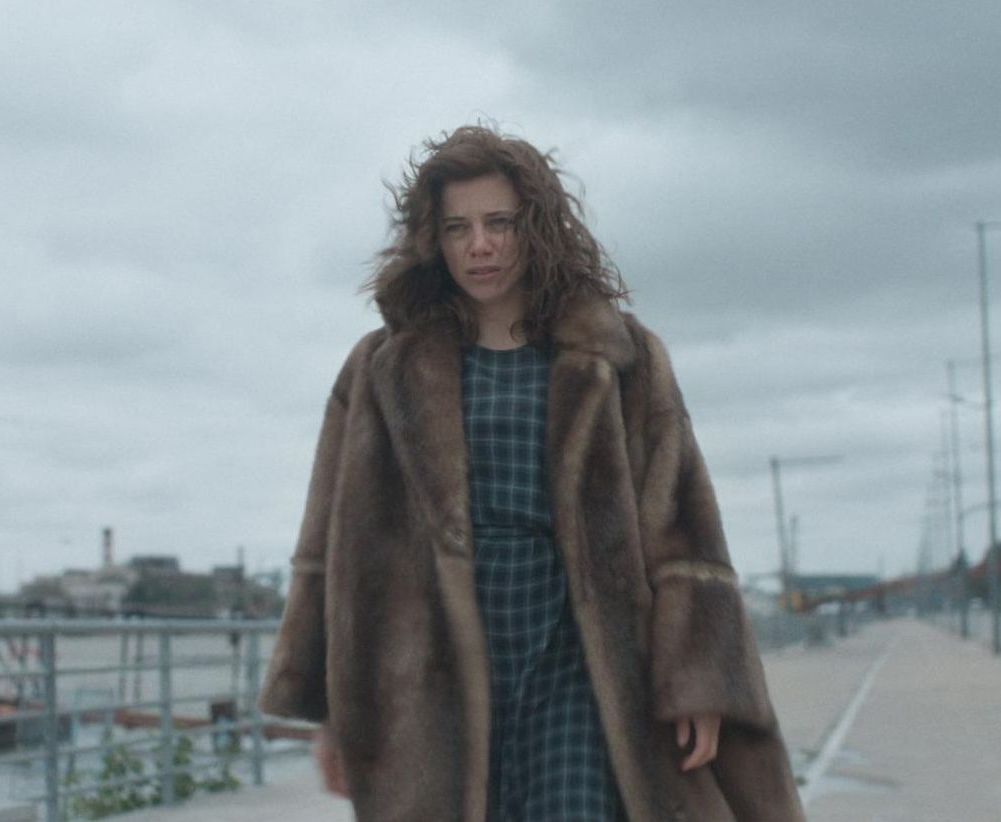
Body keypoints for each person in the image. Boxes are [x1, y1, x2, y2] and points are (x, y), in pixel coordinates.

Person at [259, 125, 804, 822]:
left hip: (576, 659)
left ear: (536, 228)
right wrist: (330, 709)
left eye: (499, 223)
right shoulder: (380, 369)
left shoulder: (619, 357)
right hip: (433, 677)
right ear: (433, 240)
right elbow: (326, 547)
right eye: (457, 228)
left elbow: (682, 531)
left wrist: (700, 681)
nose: (479, 245)